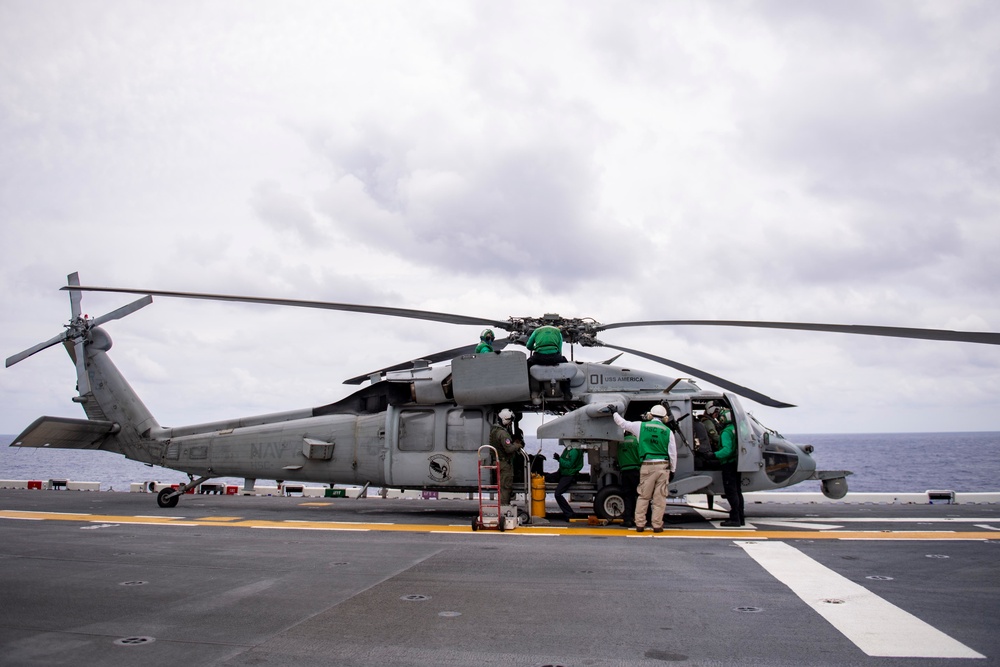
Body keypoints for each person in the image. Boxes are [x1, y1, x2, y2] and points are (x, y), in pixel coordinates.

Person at [612, 404, 676, 533]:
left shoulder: (641, 426)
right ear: (664, 418)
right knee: (659, 498)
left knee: (643, 496)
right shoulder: (668, 432)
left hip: (647, 466)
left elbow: (623, 424)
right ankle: (657, 525)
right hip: (663, 467)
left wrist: (614, 413)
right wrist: (672, 470)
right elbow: (673, 453)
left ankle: (640, 524)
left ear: (650, 415)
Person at [704, 407, 744, 526]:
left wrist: (713, 455)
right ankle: (740, 517)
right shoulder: (736, 429)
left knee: (731, 491)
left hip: (728, 464)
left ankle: (735, 519)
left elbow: (726, 451)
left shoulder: (726, 432)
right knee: (737, 491)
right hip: (736, 463)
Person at [489, 409, 523, 506]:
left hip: (498, 462)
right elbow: (509, 449)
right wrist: (517, 445)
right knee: (505, 486)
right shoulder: (503, 434)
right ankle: (504, 508)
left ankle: (503, 506)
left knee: (502, 486)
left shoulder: (495, 430)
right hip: (504, 463)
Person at [548, 444, 584, 521]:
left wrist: (559, 459)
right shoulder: (568, 449)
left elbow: (569, 465)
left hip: (569, 475)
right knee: (547, 477)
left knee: (557, 494)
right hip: (563, 472)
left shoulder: (574, 451)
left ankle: (569, 513)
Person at [616, 432, 641, 528]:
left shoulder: (620, 442)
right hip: (635, 471)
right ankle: (641, 518)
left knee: (628, 496)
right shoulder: (635, 441)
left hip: (625, 472)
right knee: (640, 496)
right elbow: (640, 454)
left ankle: (627, 519)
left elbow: (618, 456)